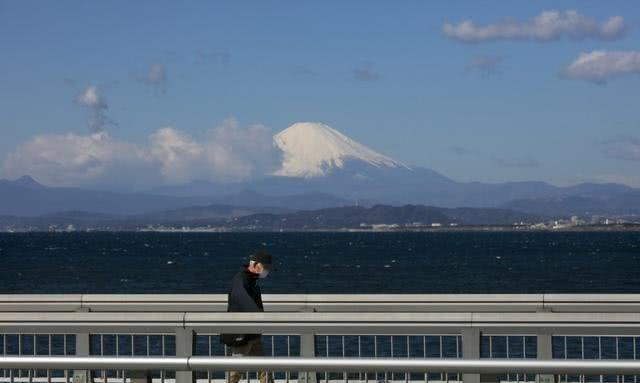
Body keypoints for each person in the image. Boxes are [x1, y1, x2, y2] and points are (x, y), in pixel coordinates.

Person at [223, 251, 274, 383]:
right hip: (241, 332)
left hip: (252, 332)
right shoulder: (241, 280)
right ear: (256, 265)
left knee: (264, 368)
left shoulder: (251, 280)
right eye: (266, 267)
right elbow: (244, 300)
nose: (267, 271)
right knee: (236, 370)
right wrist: (259, 316)